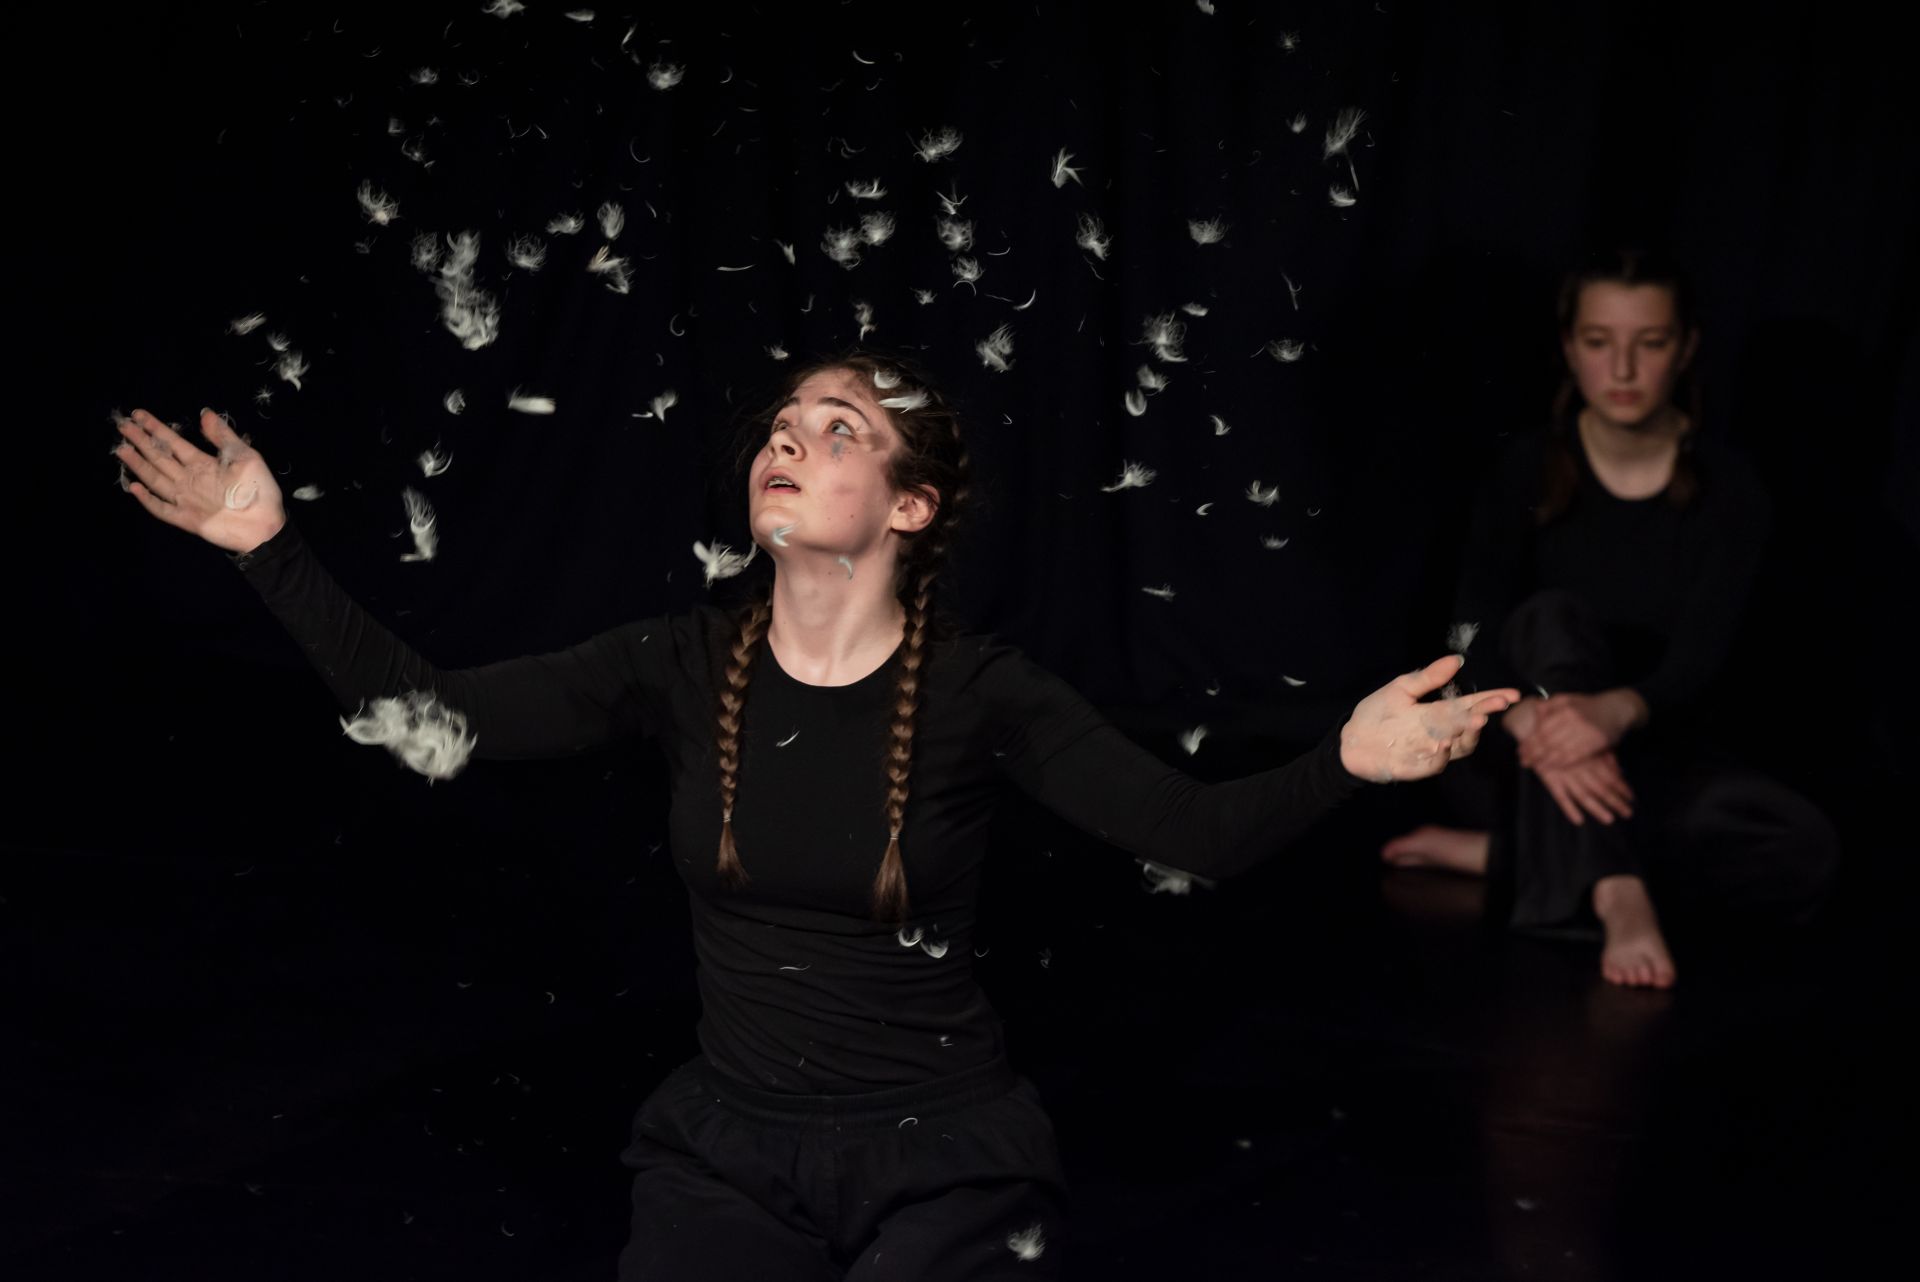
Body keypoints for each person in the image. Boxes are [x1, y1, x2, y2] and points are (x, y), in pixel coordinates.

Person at [112, 352, 1516, 1280]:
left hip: (946, 1165)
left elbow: (1194, 833)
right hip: (732, 1157)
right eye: (783, 428)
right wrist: (270, 550)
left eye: (840, 431)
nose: (791, 440)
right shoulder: (678, 661)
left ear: (909, 505)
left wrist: (1346, 757)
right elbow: (428, 719)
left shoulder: (980, 690)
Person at [1378, 249, 1839, 990]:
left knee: (1803, 849)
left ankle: (1509, 858)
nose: (1623, 368)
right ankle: (1618, 889)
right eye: (1599, 341)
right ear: (1570, 347)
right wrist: (1534, 720)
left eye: (1649, 343)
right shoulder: (1525, 468)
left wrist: (1616, 713)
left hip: (1646, 758)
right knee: (1554, 618)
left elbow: (1704, 656)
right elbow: (1473, 633)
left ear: (1684, 348)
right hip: (1522, 754)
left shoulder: (1732, 488)